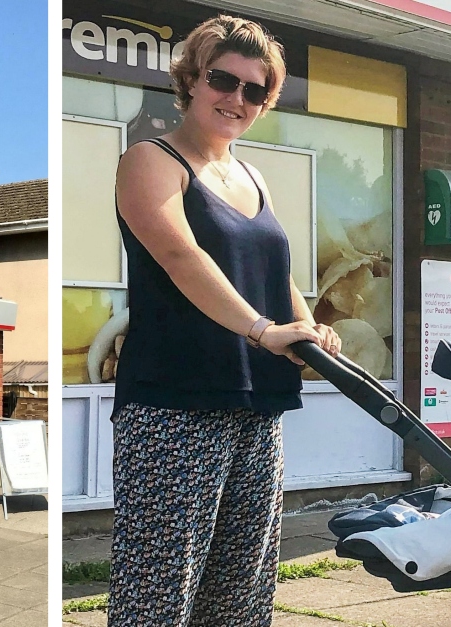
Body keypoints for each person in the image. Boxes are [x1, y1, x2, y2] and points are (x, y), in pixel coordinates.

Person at [108, 15, 342, 627]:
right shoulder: (150, 161)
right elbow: (183, 256)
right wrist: (263, 331)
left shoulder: (252, 176)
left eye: (255, 90)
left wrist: (306, 327)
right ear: (190, 80)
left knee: (242, 591)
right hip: (174, 404)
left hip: (256, 403)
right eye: (222, 79)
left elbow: (273, 270)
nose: (236, 98)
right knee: (159, 592)